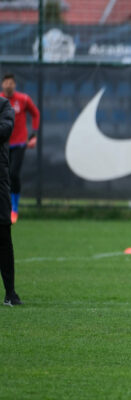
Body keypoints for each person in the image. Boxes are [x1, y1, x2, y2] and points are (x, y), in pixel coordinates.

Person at [0, 73, 40, 224]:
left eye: (11, 83)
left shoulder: (23, 99)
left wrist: (33, 135)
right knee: (3, 177)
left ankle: (14, 209)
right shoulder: (1, 101)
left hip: (19, 143)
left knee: (13, 174)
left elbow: (35, 113)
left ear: (14, 85)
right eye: (6, 83)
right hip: (3, 144)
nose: (8, 85)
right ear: (2, 85)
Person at [0, 96, 19, 305]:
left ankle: (10, 293)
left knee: (3, 235)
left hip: (0, 182)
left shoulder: (4, 106)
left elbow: (5, 130)